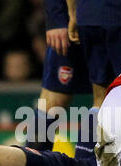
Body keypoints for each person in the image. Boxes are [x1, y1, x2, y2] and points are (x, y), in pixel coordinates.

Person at [25, 0, 93, 152]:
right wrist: (56, 19)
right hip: (72, 24)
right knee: (52, 102)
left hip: (119, 22)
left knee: (110, 100)